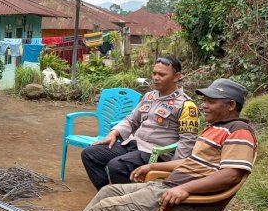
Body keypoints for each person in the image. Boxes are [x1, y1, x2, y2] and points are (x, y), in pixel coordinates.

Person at [31, 79, 256, 211]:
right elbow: (190, 162)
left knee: (108, 210)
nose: (204, 105)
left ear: (230, 105)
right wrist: (153, 167)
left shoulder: (239, 131)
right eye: (204, 100)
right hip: (170, 191)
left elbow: (231, 175)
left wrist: (185, 188)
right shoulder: (215, 128)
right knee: (109, 192)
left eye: (210, 101)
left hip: (190, 205)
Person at [81, 56, 199, 189]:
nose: (155, 77)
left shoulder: (186, 106)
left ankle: (125, 203)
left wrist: (172, 170)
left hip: (155, 153)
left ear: (176, 77)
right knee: (90, 154)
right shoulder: (149, 96)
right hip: (134, 145)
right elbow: (131, 120)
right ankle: (106, 193)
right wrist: (114, 133)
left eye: (162, 74)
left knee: (116, 166)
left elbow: (187, 142)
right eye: (154, 73)